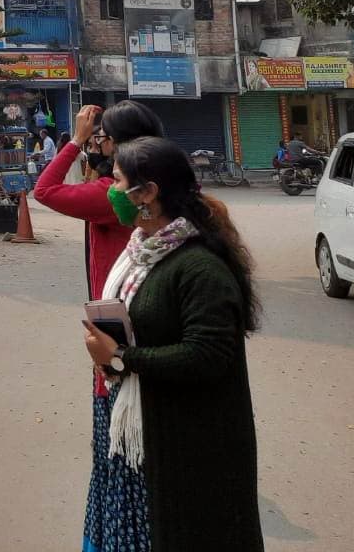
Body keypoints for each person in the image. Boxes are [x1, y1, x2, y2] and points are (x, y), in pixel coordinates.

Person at [80, 137, 264, 551]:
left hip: (191, 440)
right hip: (147, 424)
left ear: (147, 193)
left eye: (117, 180)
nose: (110, 189)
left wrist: (121, 357)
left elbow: (208, 354)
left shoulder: (199, 267)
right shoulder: (143, 250)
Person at [33, 100, 164, 551]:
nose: (97, 142)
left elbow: (44, 191)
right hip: (130, 331)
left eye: (104, 136)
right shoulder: (149, 196)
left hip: (119, 340)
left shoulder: (115, 197)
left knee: (118, 459)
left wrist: (72, 141)